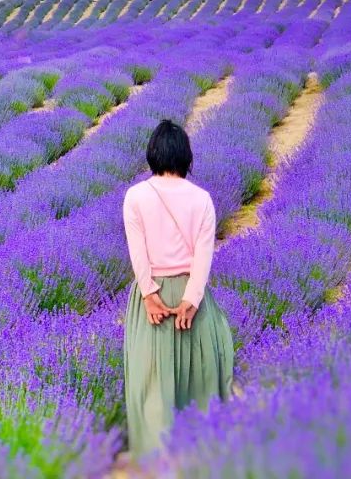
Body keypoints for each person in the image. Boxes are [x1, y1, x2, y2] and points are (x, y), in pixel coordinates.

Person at [121, 118, 235, 460]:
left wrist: (150, 295)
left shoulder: (135, 196)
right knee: (199, 379)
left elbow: (137, 252)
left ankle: (157, 460)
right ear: (186, 156)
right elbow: (204, 255)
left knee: (151, 381)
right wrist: (190, 300)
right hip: (191, 295)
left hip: (150, 299)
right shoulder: (201, 199)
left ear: (153, 154)